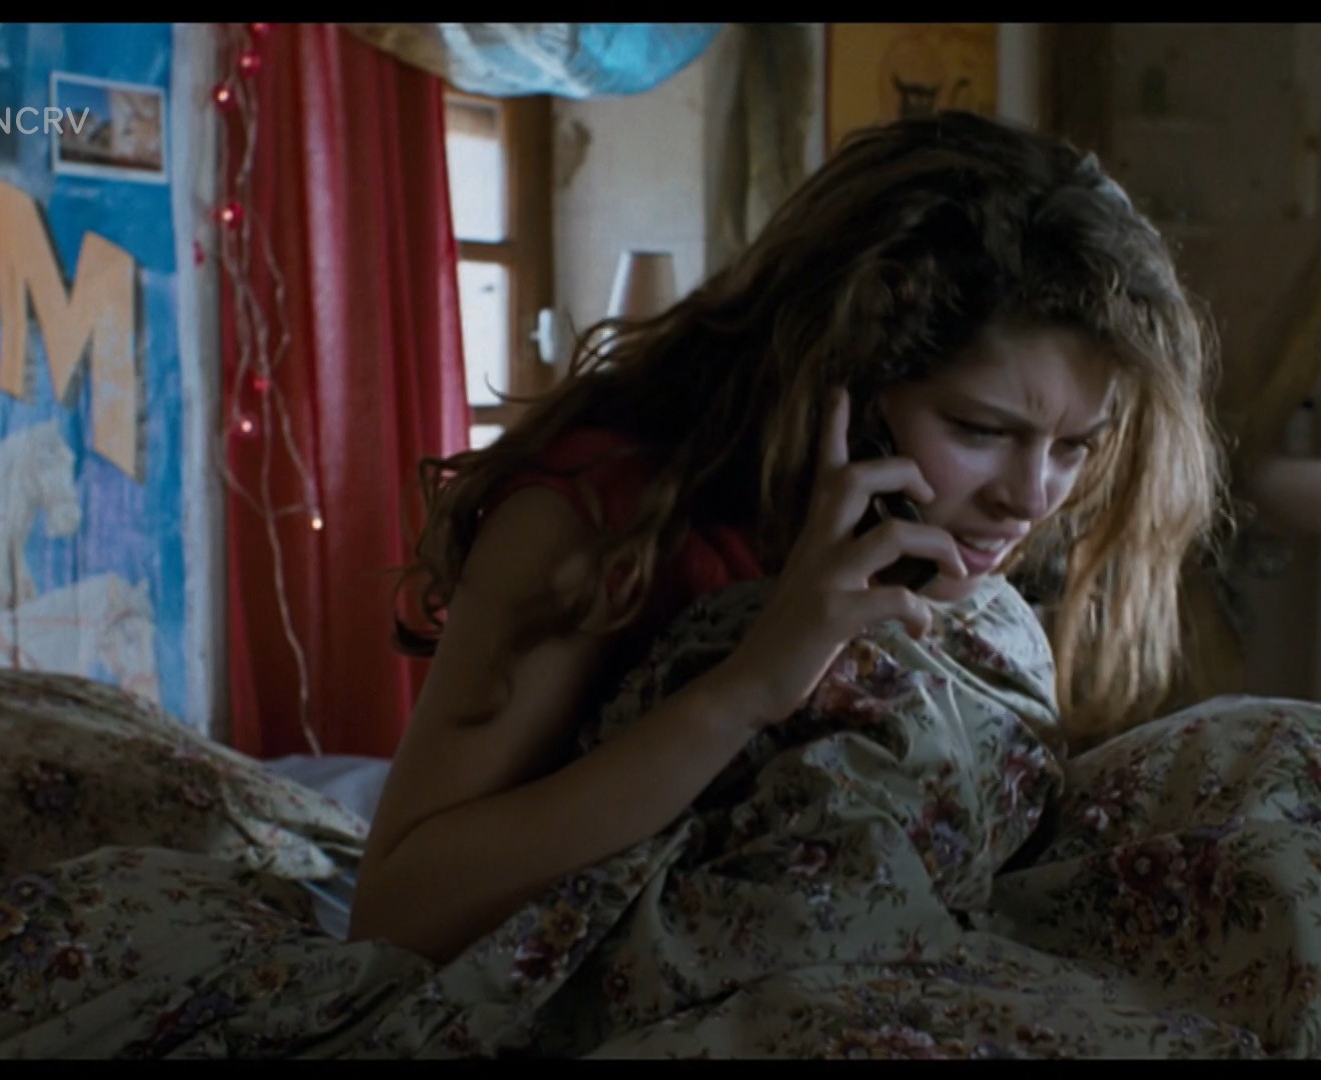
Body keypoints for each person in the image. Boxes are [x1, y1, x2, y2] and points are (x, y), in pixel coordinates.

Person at [347, 110, 1225, 963]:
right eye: (979, 430)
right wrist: (749, 686)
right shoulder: (596, 517)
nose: (1030, 499)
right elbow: (399, 906)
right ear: (842, 379)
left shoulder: (951, 531)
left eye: (1075, 446)